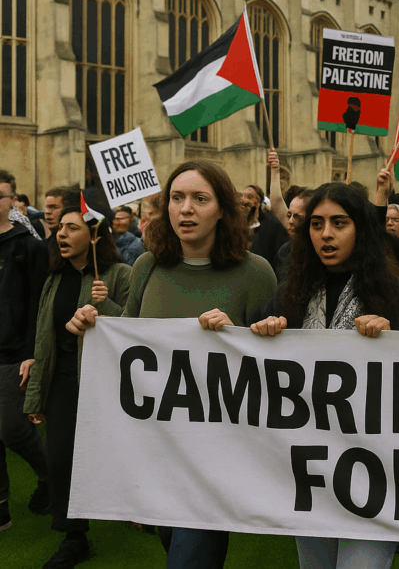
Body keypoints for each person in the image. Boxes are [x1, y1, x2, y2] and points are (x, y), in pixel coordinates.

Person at [65, 160, 277, 569]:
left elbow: (273, 361)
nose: (186, 209)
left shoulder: (255, 273)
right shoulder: (146, 266)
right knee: (173, 540)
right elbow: (131, 340)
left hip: (218, 453)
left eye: (200, 199)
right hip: (157, 446)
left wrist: (239, 336)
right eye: (177, 198)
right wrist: (94, 326)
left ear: (222, 210)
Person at [249, 182, 399, 569]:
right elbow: (247, 366)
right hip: (308, 473)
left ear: (361, 229)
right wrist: (255, 332)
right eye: (316, 224)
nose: (326, 234)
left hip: (375, 474)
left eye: (339, 223)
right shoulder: (289, 294)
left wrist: (396, 341)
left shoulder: (395, 295)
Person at [24, 198, 132, 567]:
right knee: (60, 459)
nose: (61, 235)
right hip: (64, 382)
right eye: (59, 229)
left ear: (95, 236)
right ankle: (74, 536)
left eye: (72, 228)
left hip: (107, 384)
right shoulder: (54, 280)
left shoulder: (118, 275)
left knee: (119, 453)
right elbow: (44, 338)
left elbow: (139, 329)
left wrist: (110, 308)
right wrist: (37, 395)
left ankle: (138, 507)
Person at [0, 170, 50, 533]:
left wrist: (33, 351)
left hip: (13, 352)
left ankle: (51, 475)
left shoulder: (27, 246)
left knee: (13, 430)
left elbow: (38, 302)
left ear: (14, 202)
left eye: (0, 196)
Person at [241, 183, 289, 264]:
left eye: (249, 197)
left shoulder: (272, 224)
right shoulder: (236, 224)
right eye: (242, 196)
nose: (244, 200)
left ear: (258, 202)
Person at [274, 189, 315, 280]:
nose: (290, 221)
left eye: (297, 217)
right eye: (289, 215)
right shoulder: (285, 251)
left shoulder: (321, 253)